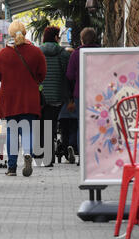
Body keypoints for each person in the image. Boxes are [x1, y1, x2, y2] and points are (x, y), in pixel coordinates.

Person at [0, 21, 47, 177]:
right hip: (29, 98)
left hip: (9, 98)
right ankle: (28, 153)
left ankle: (11, 167)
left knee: (12, 132)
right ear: (25, 33)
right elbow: (42, 74)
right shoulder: (36, 52)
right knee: (27, 129)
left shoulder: (4, 53)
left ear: (10, 34)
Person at [61, 27, 100, 164]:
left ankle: (81, 157)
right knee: (97, 124)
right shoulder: (101, 53)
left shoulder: (76, 54)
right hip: (98, 94)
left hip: (81, 93)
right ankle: (96, 154)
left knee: (81, 125)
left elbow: (70, 75)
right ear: (95, 39)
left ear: (82, 40)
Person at [39, 26, 72, 167]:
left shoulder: (38, 52)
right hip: (57, 96)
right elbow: (68, 75)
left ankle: (42, 154)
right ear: (55, 38)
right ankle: (49, 157)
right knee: (51, 126)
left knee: (40, 125)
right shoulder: (63, 54)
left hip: (40, 95)